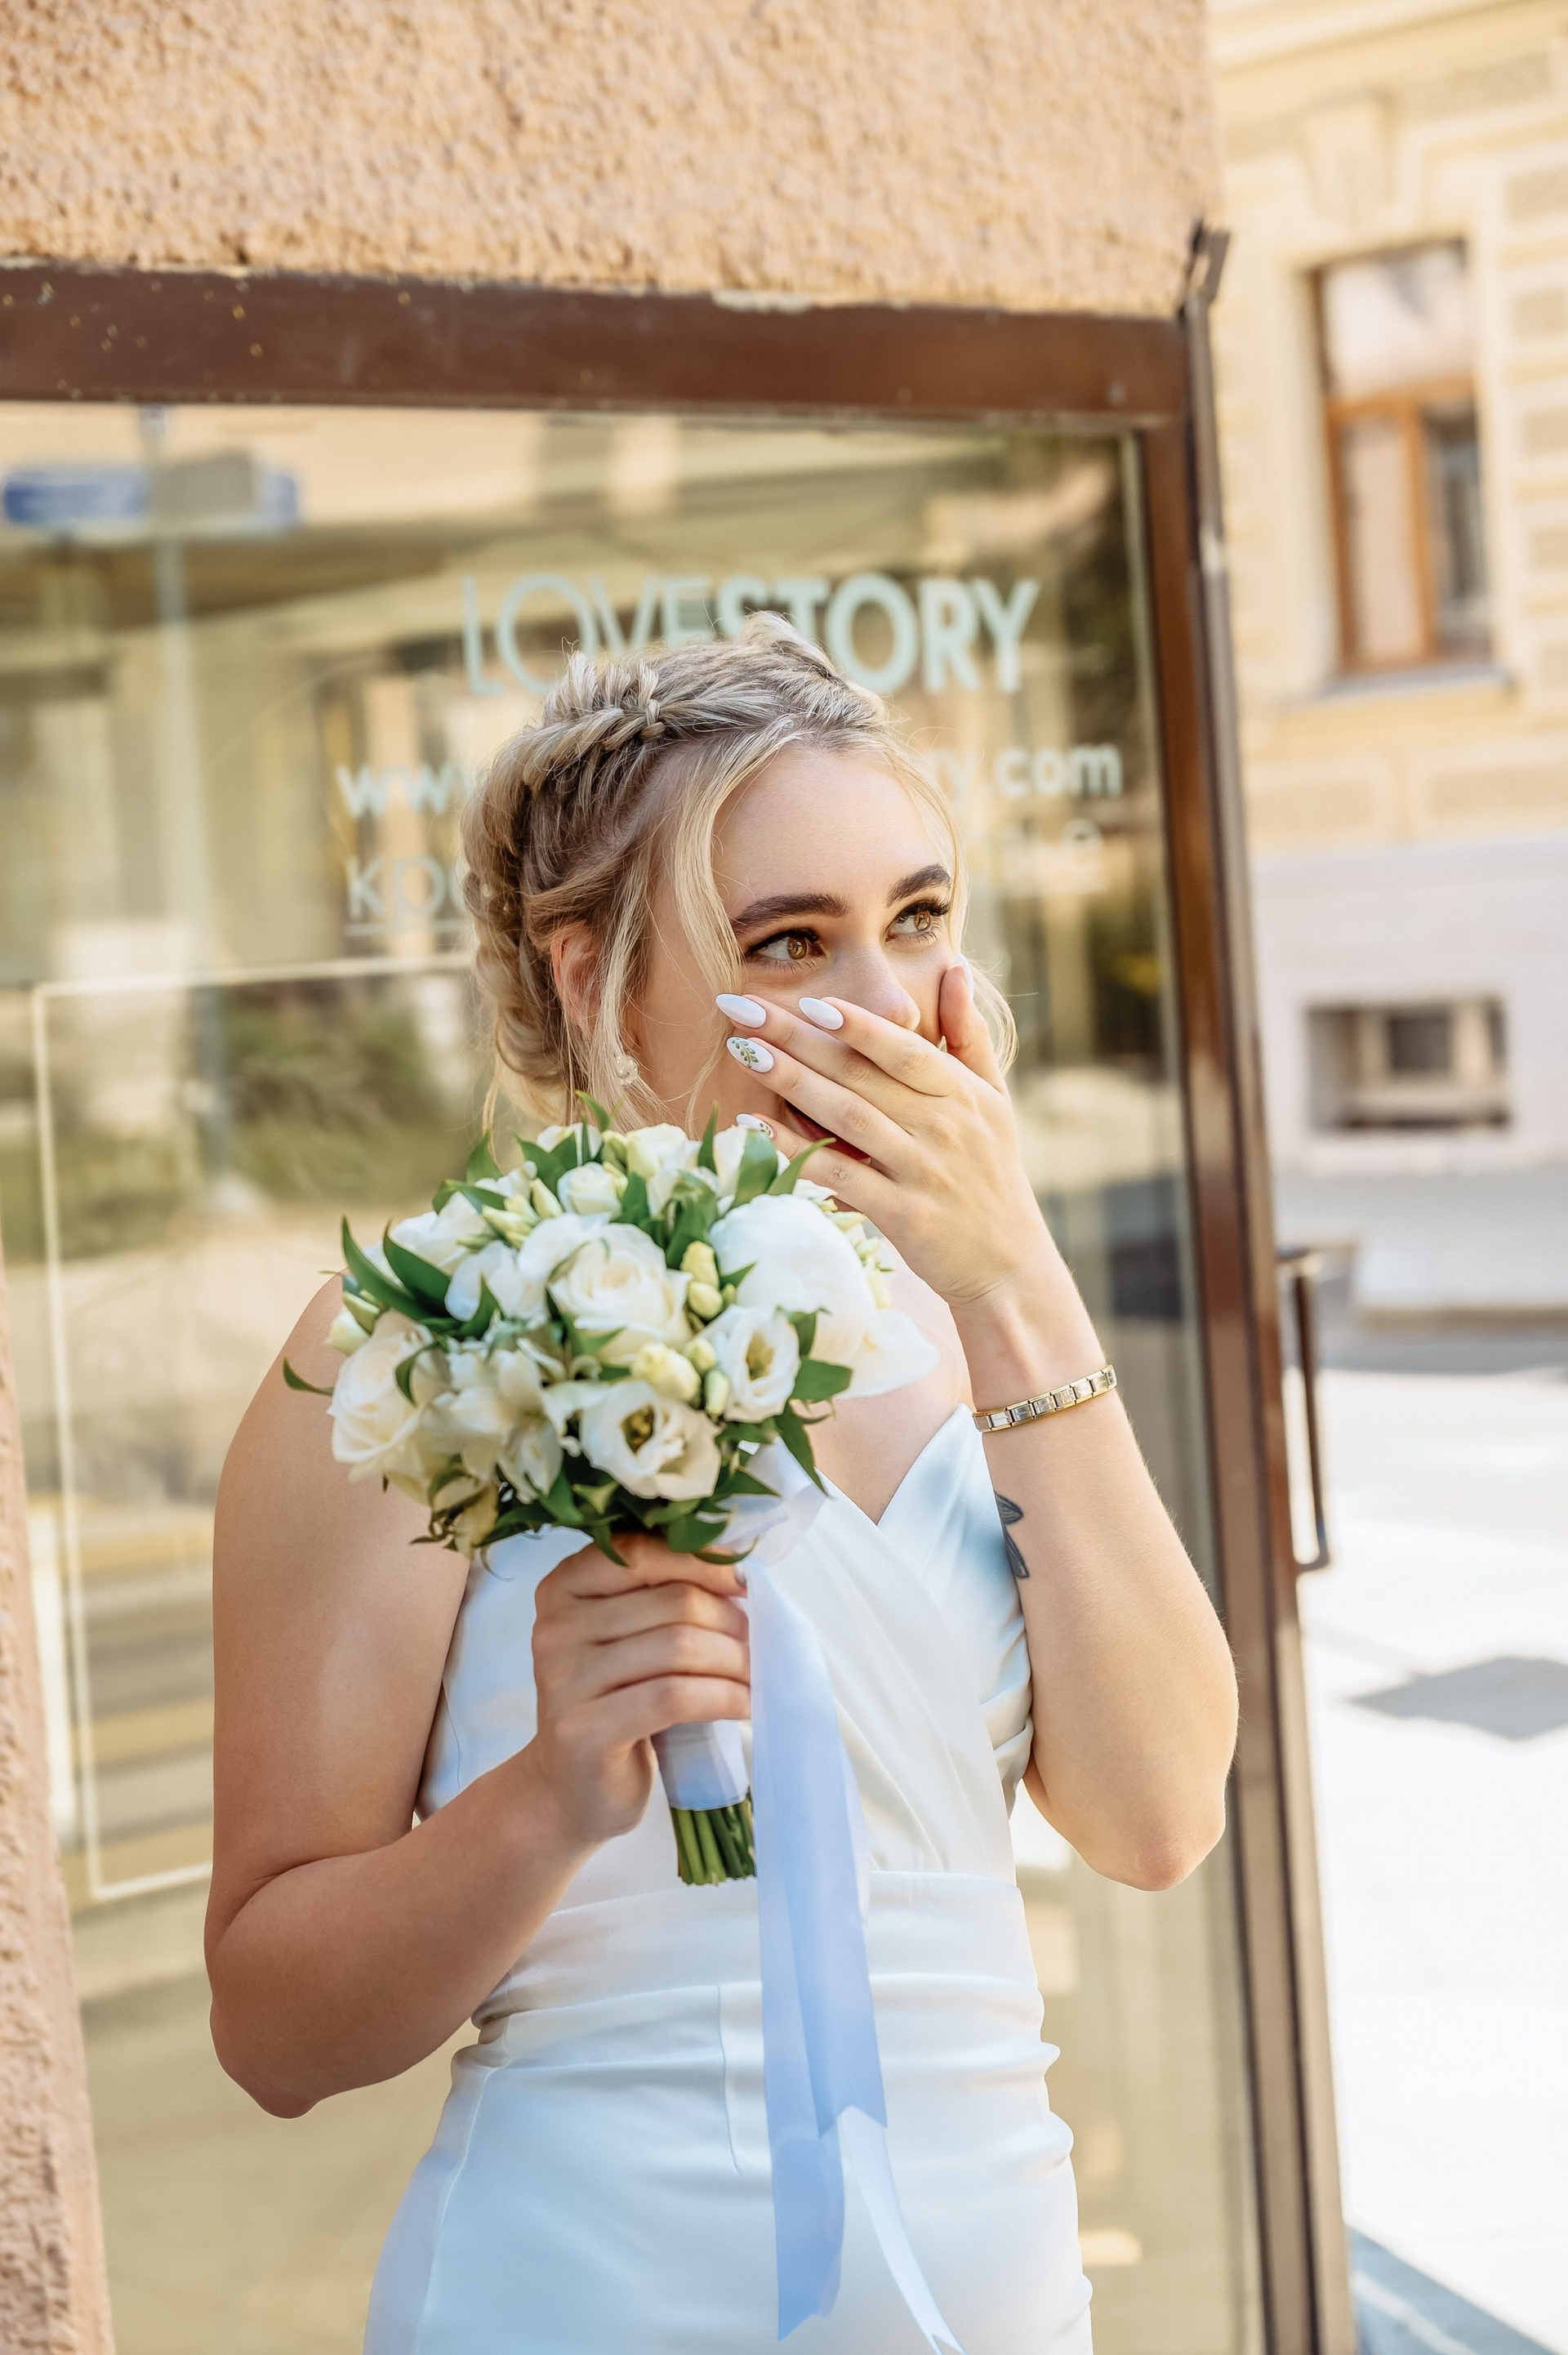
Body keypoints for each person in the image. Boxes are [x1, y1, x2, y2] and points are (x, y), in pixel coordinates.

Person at [207, 616, 1238, 2354]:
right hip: (585, 2292)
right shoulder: (417, 1344)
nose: (885, 1009)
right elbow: (272, 2032)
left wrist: (1013, 1280)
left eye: (919, 920)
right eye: (791, 941)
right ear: (591, 980)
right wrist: (550, 1791)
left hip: (991, 2293)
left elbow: (1156, 1821)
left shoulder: (980, 1322)